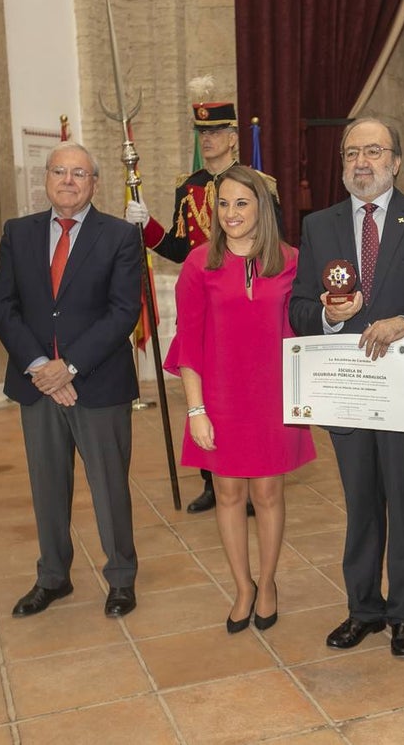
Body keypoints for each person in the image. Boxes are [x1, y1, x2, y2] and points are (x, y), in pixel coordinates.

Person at [289, 116, 404, 658]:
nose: (361, 163)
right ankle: (363, 609)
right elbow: (297, 307)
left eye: (373, 151)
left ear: (396, 160)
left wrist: (403, 324)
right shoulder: (319, 226)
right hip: (348, 391)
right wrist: (328, 312)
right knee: (361, 505)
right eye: (351, 154)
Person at [0, 141, 142, 619]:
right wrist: (41, 367)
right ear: (46, 179)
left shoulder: (120, 235)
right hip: (37, 386)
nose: (69, 180)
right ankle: (52, 577)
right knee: (47, 486)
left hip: (98, 385)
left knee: (109, 486)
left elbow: (123, 313)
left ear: (95, 182)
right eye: (60, 171)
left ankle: (120, 579)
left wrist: (69, 366)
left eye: (79, 173)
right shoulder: (19, 232)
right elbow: (2, 308)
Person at [163, 165, 315, 633]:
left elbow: (309, 325)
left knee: (268, 493)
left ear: (263, 207)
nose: (231, 213)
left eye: (242, 203)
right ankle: (242, 586)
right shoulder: (198, 264)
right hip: (220, 398)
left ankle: (267, 583)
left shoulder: (292, 260)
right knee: (228, 492)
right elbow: (188, 341)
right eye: (224, 203)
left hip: (274, 397)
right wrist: (195, 410)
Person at [126, 96, 281, 515]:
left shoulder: (259, 185)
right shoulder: (188, 186)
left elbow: (274, 247)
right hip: (204, 303)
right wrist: (147, 226)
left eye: (215, 132)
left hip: (246, 303)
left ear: (233, 137)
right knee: (207, 393)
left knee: (248, 395)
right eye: (202, 133)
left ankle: (251, 476)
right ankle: (214, 482)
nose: (208, 139)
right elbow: (178, 249)